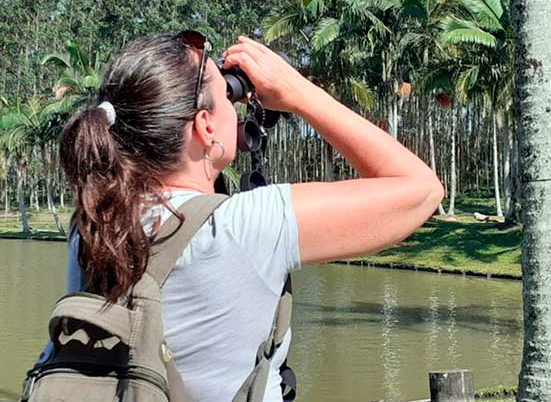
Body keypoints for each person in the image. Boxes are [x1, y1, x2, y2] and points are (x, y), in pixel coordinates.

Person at [57, 32, 444, 402]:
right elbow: (422, 191)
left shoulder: (92, 223)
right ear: (206, 126)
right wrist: (298, 92)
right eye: (227, 94)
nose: (235, 101)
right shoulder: (241, 228)